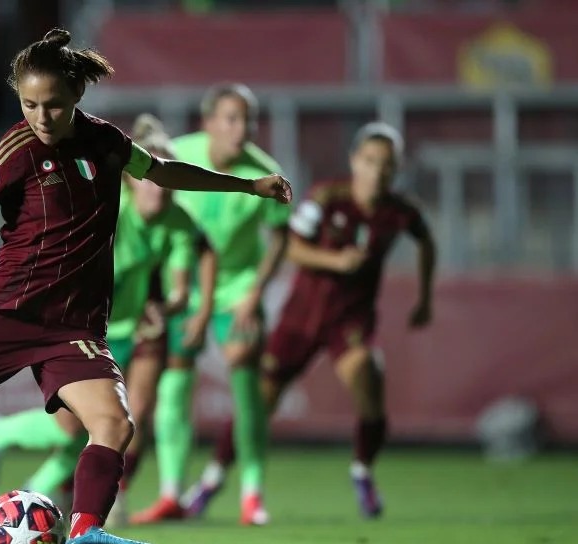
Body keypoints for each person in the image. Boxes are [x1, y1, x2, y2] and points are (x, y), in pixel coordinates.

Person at [0, 29, 291, 544]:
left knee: (115, 424)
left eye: (52, 104)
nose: (41, 117)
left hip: (73, 328)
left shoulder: (106, 142)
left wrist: (247, 186)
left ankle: (86, 534)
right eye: (29, 104)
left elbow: (163, 171)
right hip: (6, 314)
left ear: (77, 94)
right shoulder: (14, 152)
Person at [0, 114, 217, 527]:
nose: (158, 191)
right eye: (149, 182)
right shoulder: (107, 207)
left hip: (135, 327)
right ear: (131, 182)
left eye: (164, 183)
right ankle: (1, 435)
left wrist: (167, 308)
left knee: (129, 418)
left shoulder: (179, 220)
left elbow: (179, 288)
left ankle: (94, 498)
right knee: (72, 428)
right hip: (84, 328)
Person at [185, 122, 436, 520]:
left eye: (386, 164)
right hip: (302, 317)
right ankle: (211, 480)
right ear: (355, 161)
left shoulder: (401, 211)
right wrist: (335, 261)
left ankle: (363, 470)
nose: (377, 171)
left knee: (368, 375)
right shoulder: (326, 197)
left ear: (397, 168)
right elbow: (291, 248)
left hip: (350, 320)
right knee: (259, 401)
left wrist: (425, 298)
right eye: (370, 160)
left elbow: (426, 242)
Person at [132, 84, 290, 527]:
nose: (242, 129)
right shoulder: (178, 156)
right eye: (232, 119)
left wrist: (255, 293)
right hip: (182, 288)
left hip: (236, 291)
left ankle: (252, 495)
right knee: (175, 382)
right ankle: (170, 493)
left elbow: (281, 237)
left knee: (244, 369)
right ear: (209, 123)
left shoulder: (266, 171)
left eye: (248, 120)